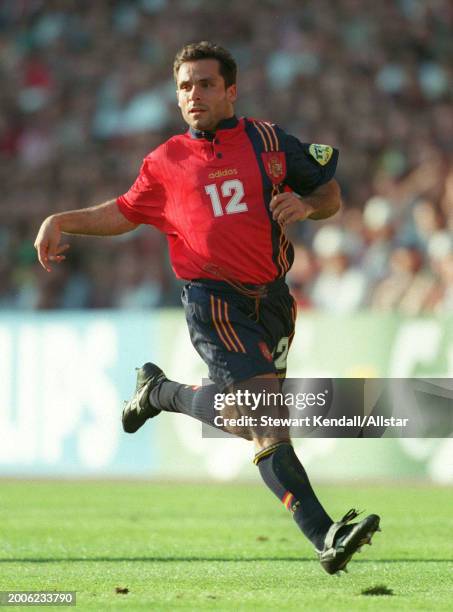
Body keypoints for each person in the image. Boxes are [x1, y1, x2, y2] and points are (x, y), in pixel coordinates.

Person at [34, 41, 380, 574]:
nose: (194, 94)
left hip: (273, 298)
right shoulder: (166, 161)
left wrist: (308, 205)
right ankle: (325, 534)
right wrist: (62, 219)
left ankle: (161, 392)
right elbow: (125, 212)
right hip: (213, 301)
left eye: (205, 84)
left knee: (249, 417)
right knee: (268, 421)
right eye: (184, 86)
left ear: (230, 91)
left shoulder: (268, 140)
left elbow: (330, 192)